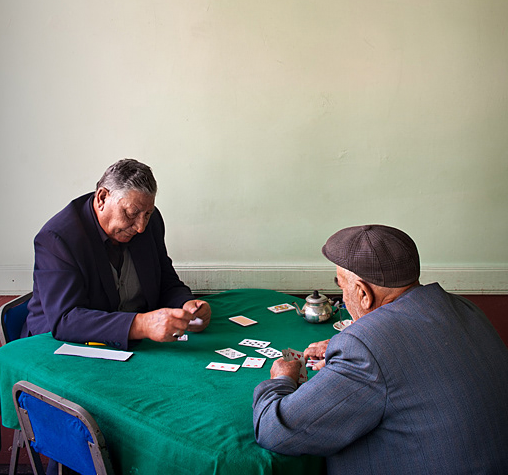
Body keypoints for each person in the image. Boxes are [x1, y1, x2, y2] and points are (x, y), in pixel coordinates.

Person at [253, 224, 508, 475]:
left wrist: (282, 378)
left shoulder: (366, 349)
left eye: (341, 286)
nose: (341, 295)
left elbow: (276, 431)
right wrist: (345, 350)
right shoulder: (464, 307)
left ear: (364, 293)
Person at [25, 159, 211, 350]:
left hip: (130, 349)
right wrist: (141, 325)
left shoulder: (151, 223)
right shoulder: (57, 239)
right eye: (131, 213)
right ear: (102, 198)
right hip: (57, 348)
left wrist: (187, 305)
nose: (140, 227)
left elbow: (166, 282)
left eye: (147, 214)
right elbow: (66, 319)